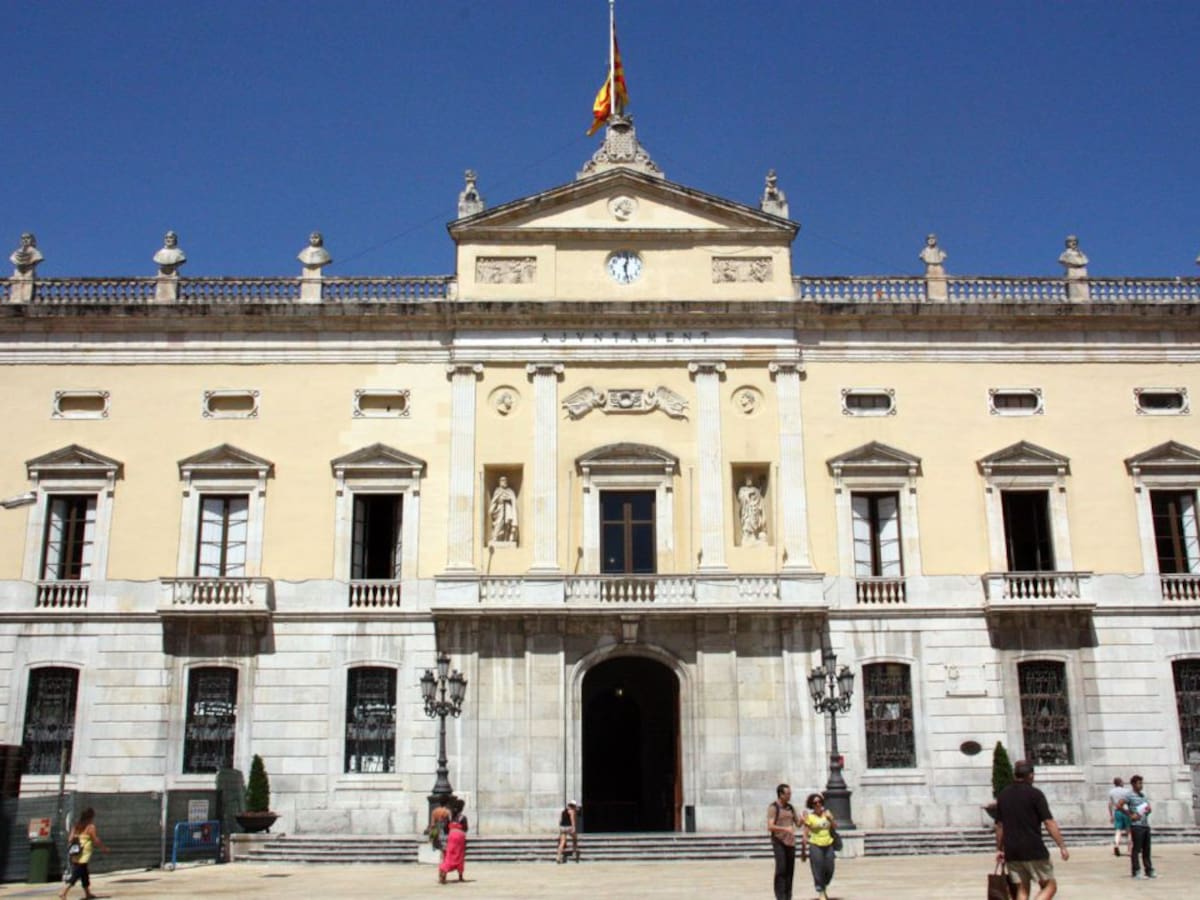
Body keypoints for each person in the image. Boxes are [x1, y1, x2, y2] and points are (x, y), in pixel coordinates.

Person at [995, 760, 1069, 900]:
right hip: (1033, 849)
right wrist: (1062, 845)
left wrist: (999, 849)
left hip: (1012, 851)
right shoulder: (1035, 794)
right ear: (1031, 775)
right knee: (1050, 886)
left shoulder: (1003, 795)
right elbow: (1048, 822)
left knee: (1022, 889)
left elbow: (1000, 826)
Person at [59, 807, 108, 900]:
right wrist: (103, 848)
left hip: (75, 851)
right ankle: (64, 892)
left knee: (84, 873)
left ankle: (87, 893)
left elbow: (70, 839)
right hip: (84, 853)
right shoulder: (90, 827)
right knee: (77, 873)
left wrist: (77, 839)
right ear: (90, 817)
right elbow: (95, 840)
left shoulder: (76, 826)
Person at [800, 793, 837, 900]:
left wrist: (830, 819)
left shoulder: (827, 814)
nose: (818, 804)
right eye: (815, 803)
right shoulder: (810, 817)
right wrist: (803, 851)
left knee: (830, 868)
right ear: (811, 805)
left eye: (819, 802)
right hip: (815, 845)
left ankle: (824, 885)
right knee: (818, 869)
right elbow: (805, 834)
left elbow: (835, 826)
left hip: (828, 844)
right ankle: (821, 891)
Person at [1119, 774, 1155, 879]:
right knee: (1136, 849)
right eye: (1139, 783)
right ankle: (1136, 871)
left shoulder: (1143, 796)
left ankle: (1149, 870)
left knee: (1147, 849)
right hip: (1136, 825)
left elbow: (1148, 808)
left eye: (1141, 783)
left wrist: (1148, 809)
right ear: (1133, 784)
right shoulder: (1129, 795)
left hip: (1145, 824)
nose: (1141, 785)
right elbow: (1119, 805)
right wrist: (1130, 815)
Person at [766, 783, 798, 900]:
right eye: (788, 793)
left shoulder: (791, 808)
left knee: (790, 870)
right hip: (779, 841)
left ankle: (788, 895)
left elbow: (797, 823)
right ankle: (780, 896)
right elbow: (770, 826)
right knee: (781, 868)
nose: (790, 795)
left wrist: (804, 820)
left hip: (790, 842)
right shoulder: (773, 808)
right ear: (781, 794)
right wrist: (785, 829)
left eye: (790, 793)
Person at [438, 797, 468, 884]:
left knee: (449, 855)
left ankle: (443, 873)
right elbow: (465, 828)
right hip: (460, 836)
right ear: (461, 808)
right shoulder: (463, 817)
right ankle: (460, 876)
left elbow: (445, 828)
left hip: (451, 835)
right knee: (459, 855)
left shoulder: (450, 817)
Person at [488, 476, 518, 544]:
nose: (504, 482)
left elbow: (513, 500)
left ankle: (507, 539)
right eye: (502, 480)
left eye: (505, 480)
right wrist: (492, 508)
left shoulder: (510, 491)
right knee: (499, 523)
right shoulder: (497, 491)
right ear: (500, 482)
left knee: (508, 523)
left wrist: (508, 498)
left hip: (508, 508)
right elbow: (494, 501)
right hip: (500, 509)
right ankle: (495, 537)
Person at [738, 475, 766, 545]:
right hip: (746, 510)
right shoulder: (742, 489)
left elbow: (759, 498)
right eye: (747, 479)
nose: (749, 481)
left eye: (750, 479)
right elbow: (740, 497)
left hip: (754, 509)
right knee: (747, 521)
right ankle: (747, 536)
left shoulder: (755, 489)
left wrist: (756, 495)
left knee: (755, 522)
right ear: (745, 480)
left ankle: (754, 535)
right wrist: (747, 495)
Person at [1107, 776, 1129, 856]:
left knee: (1118, 830)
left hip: (1117, 812)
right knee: (1129, 831)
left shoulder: (1111, 792)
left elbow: (1110, 804)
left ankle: (1116, 845)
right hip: (1126, 811)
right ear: (1120, 783)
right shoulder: (1127, 791)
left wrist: (1111, 815)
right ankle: (1130, 849)